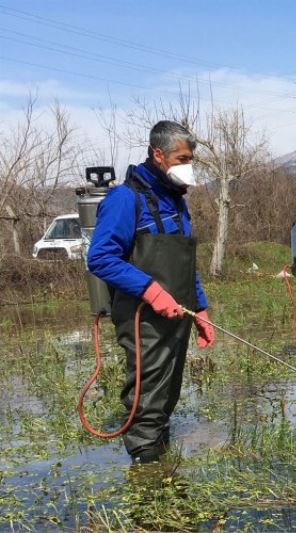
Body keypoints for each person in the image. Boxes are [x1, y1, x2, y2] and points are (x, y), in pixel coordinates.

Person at [87, 121, 215, 464]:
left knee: (167, 392)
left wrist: (199, 308)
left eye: (191, 158)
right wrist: (151, 291)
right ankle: (147, 475)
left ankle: (161, 456)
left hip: (178, 314)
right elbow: (100, 258)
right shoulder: (124, 198)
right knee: (147, 394)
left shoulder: (176, 201)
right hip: (144, 316)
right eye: (182, 157)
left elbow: (186, 262)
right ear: (158, 154)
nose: (188, 165)